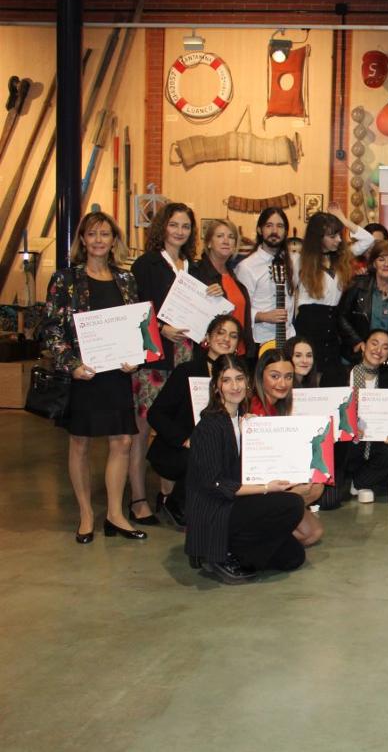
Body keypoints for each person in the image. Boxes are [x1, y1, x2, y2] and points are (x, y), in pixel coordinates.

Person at [41, 211, 144, 543]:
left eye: (105, 234)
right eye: (92, 234)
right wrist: (71, 364)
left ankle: (115, 513)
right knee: (80, 443)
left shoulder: (126, 280)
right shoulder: (65, 280)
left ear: (114, 240)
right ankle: (86, 514)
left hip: (116, 374)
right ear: (82, 240)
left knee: (123, 441)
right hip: (83, 374)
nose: (99, 240)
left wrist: (136, 358)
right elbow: (51, 328)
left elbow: (136, 326)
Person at [184, 355, 307, 584]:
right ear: (216, 386)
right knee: (292, 504)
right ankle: (220, 552)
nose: (235, 386)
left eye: (239, 379)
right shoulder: (209, 426)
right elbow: (215, 484)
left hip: (234, 503)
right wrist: (266, 487)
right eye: (227, 380)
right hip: (215, 508)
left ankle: (232, 550)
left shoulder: (244, 420)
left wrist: (251, 436)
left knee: (294, 557)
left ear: (248, 381)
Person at [129, 201, 202, 527]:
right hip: (157, 357)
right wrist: (160, 328)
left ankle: (167, 495)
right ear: (163, 227)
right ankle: (137, 498)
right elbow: (135, 312)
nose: (180, 231)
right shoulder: (146, 265)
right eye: (174, 225)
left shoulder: (193, 267)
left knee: (179, 426)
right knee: (142, 431)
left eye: (185, 226)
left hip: (187, 357)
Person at [145, 314, 243, 528]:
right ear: (207, 337)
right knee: (206, 452)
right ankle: (177, 504)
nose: (226, 339)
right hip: (180, 450)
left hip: (221, 448)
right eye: (221, 332)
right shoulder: (187, 371)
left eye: (233, 336)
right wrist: (185, 439)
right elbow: (156, 414)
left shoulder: (241, 376)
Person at [320, 329, 388, 506]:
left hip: (373, 445)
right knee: (328, 503)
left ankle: (360, 481)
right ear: (363, 346)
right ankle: (351, 478)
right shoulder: (339, 374)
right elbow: (327, 414)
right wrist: (348, 427)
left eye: (385, 347)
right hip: (343, 446)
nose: (378, 350)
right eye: (374, 343)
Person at [250, 349, 324, 545]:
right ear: (260, 376)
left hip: (275, 480)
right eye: (274, 376)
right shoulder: (251, 409)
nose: (282, 384)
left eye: (288, 377)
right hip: (255, 488)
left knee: (313, 533)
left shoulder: (279, 408)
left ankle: (263, 532)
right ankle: (249, 532)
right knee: (309, 491)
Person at [291, 208, 374, 371]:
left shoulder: (343, 257)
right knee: (308, 374)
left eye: (339, 235)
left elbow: (368, 240)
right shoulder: (299, 261)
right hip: (309, 323)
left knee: (331, 375)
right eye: (332, 236)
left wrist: (342, 219)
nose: (338, 240)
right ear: (318, 237)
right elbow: (288, 294)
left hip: (334, 323)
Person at [337, 239, 388, 366]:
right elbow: (341, 316)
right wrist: (357, 341)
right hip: (356, 357)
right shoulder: (357, 285)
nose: (386, 264)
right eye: (381, 259)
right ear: (374, 263)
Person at [235, 206, 296, 349]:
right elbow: (239, 308)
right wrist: (263, 316)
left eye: (280, 226)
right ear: (259, 230)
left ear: (286, 231)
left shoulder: (293, 262)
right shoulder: (247, 267)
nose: (274, 231)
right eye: (269, 226)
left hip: (288, 339)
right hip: (260, 341)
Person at [192, 218, 252, 356]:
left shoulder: (235, 277)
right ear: (208, 243)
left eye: (231, 237)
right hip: (208, 356)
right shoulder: (197, 273)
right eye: (220, 236)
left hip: (238, 355)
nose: (226, 241)